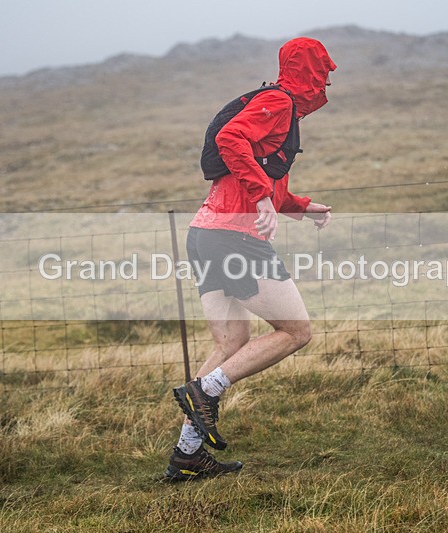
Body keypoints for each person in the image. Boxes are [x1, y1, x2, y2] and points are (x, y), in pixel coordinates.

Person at [164, 37, 337, 481]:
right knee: (296, 331)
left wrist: (299, 205)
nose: (329, 77)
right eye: (324, 68)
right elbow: (229, 139)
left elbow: (264, 180)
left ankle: (187, 456)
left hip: (203, 234)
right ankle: (205, 391)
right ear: (310, 70)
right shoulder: (278, 102)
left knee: (229, 343)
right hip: (232, 238)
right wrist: (260, 198)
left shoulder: (279, 110)